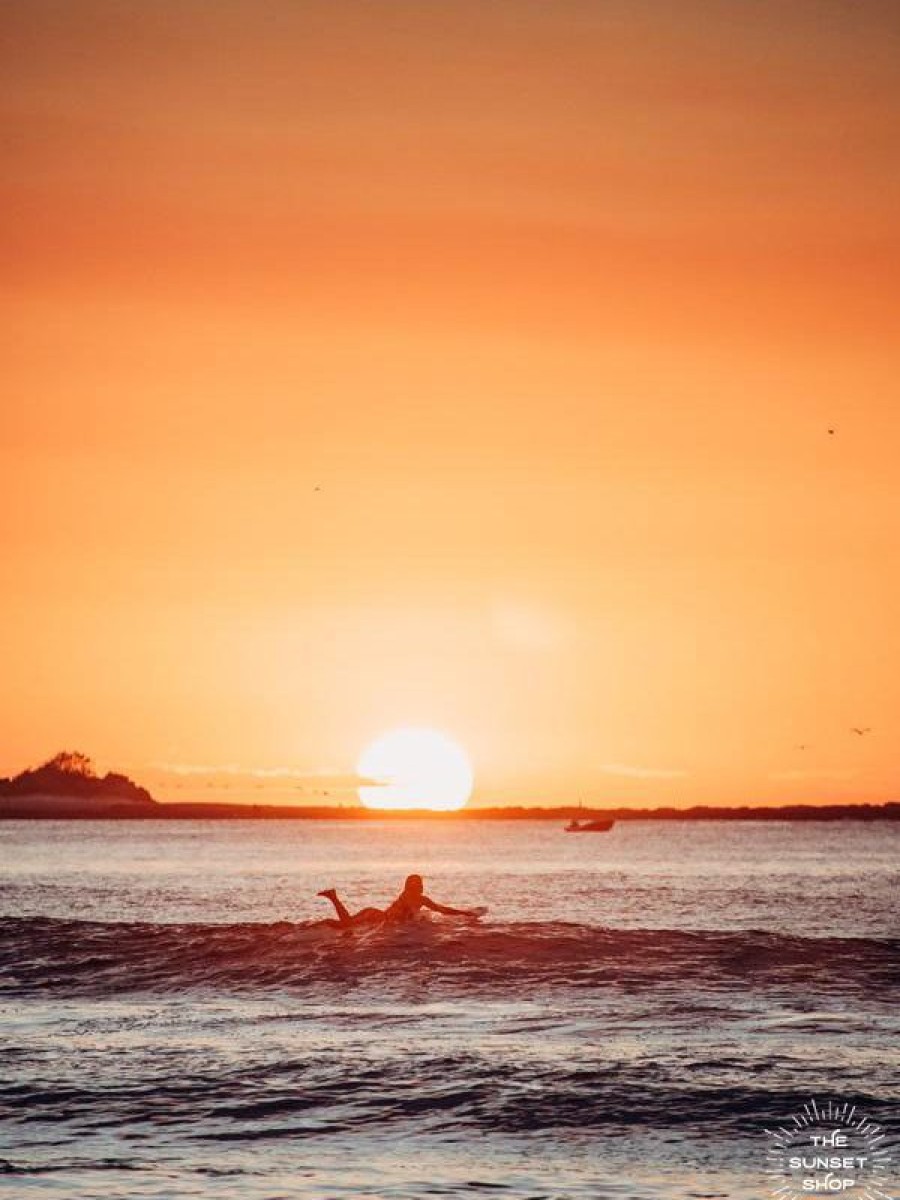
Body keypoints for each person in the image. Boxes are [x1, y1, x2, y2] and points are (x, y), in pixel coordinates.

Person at [317, 874, 484, 930]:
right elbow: (442, 910)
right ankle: (333, 897)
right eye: (417, 884)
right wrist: (465, 913)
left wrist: (464, 913)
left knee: (345, 925)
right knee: (346, 925)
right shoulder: (415, 898)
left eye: (418, 884)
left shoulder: (414, 898)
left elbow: (442, 909)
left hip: (376, 914)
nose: (419, 887)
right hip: (377, 917)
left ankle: (330, 906)